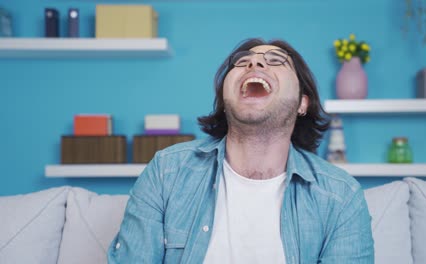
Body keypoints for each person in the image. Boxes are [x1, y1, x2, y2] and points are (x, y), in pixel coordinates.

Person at [108, 38, 374, 263]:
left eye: (276, 61)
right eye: (241, 61)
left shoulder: (341, 197)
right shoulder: (166, 172)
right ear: (224, 99)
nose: (254, 63)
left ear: (302, 103)